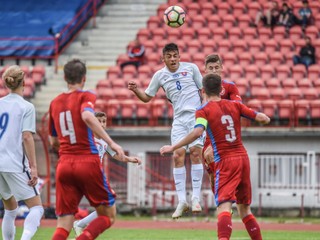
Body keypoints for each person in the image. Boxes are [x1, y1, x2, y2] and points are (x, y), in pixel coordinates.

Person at [160, 73, 270, 240]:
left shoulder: (203, 111)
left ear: (202, 91)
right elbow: (261, 118)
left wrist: (174, 146)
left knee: (224, 206)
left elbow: (198, 132)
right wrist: (264, 119)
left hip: (225, 161)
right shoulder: (235, 105)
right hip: (243, 158)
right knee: (245, 210)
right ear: (221, 89)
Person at [49, 59, 125, 240]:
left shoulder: (55, 103)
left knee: (63, 225)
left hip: (64, 164)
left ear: (65, 77)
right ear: (84, 78)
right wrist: (112, 143)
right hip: (86, 161)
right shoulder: (85, 96)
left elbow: (53, 141)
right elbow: (87, 115)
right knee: (108, 214)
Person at [128, 42, 204, 219]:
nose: (172, 59)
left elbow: (204, 90)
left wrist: (206, 112)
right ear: (163, 59)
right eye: (168, 56)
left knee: (194, 153)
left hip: (195, 116)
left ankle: (195, 198)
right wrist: (135, 90)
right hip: (178, 119)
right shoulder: (159, 76)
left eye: (175, 55)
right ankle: (182, 201)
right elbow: (147, 98)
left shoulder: (191, 68)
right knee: (177, 155)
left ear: (179, 56)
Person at [73, 111, 141, 237]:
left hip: (95, 177)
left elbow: (116, 155)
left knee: (107, 206)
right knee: (108, 207)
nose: (102, 124)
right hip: (86, 175)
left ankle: (80, 224)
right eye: (98, 121)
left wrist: (130, 159)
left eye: (104, 121)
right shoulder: (87, 139)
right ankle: (79, 225)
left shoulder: (105, 142)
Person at [0, 65, 44, 240]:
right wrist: (33, 167)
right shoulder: (26, 107)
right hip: (14, 163)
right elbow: (26, 136)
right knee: (37, 208)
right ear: (24, 82)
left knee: (10, 208)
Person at [202, 54, 242, 187]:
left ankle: (227, 202)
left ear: (222, 68)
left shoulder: (229, 87)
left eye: (216, 67)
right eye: (211, 68)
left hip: (226, 134)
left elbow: (238, 106)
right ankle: (221, 205)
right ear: (205, 70)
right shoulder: (200, 88)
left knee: (223, 170)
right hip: (206, 134)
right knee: (212, 175)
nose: (214, 70)